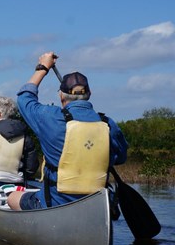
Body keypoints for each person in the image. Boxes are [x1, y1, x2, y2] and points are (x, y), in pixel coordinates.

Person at [7, 51, 128, 210]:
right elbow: (120, 158)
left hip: (55, 203)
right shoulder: (108, 124)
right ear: (89, 94)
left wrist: (43, 67)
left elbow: (24, 98)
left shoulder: (49, 118)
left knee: (12, 198)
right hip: (97, 204)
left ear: (61, 96)